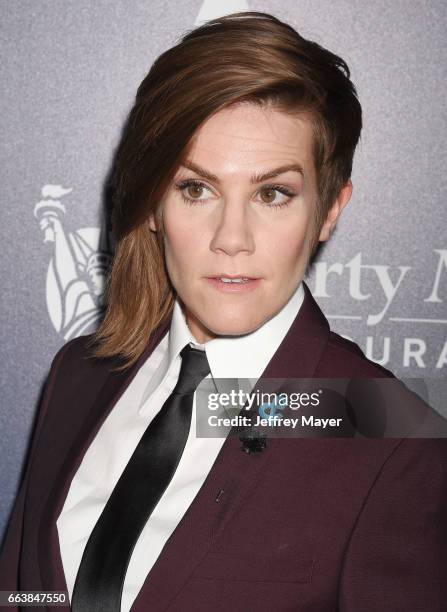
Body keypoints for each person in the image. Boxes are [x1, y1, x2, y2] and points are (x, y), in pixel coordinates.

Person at [1, 11, 446, 612]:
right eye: (196, 189)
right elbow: (25, 595)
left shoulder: (395, 438)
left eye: (273, 193)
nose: (231, 238)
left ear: (330, 212)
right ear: (152, 202)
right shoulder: (79, 374)